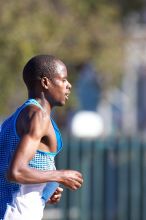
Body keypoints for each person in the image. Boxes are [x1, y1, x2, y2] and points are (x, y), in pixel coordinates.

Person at [0, 55, 83, 220]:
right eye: (63, 80)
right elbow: (15, 172)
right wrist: (60, 176)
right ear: (46, 83)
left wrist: (44, 189)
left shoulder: (15, 118)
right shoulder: (38, 116)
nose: (69, 85)